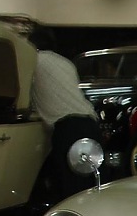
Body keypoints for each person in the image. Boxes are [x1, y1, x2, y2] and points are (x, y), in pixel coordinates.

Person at [28, 26, 101, 200]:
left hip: (68, 129)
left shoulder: (33, 61)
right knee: (92, 186)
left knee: (69, 189)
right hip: (91, 125)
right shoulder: (65, 62)